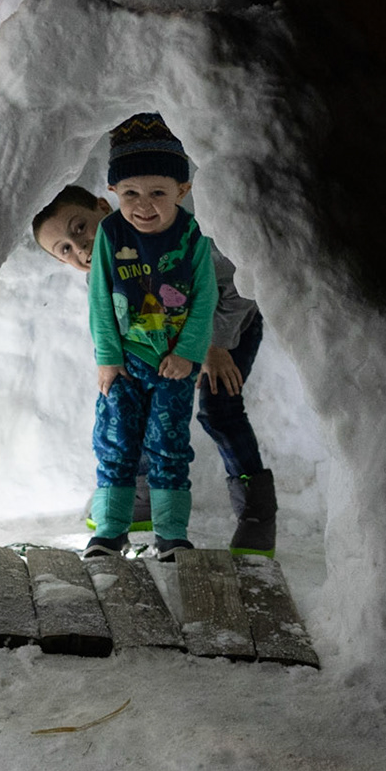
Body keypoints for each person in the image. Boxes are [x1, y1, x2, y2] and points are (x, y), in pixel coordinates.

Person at [34, 184, 279, 556]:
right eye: (65, 249)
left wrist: (215, 345)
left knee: (219, 407)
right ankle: (143, 499)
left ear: (103, 207)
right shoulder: (101, 267)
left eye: (80, 227)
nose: (80, 247)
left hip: (226, 325)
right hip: (162, 345)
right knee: (138, 406)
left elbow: (236, 284)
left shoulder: (165, 236)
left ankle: (257, 515)